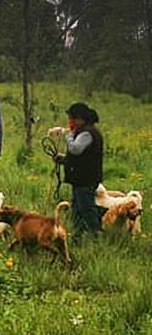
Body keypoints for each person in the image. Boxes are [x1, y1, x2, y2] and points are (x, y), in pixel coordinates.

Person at [53, 102, 103, 238]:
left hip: (85, 180)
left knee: (86, 209)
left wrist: (68, 137)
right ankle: (77, 236)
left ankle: (95, 235)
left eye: (72, 118)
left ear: (80, 118)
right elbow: (81, 158)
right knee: (77, 210)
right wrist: (63, 159)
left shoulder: (87, 133)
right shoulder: (84, 131)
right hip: (81, 179)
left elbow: (75, 149)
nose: (70, 122)